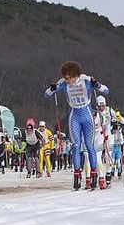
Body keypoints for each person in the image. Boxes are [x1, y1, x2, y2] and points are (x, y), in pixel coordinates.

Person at [45, 61, 109, 190]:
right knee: (75, 145)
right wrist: (51, 89)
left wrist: (96, 85)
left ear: (75, 74)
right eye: (66, 78)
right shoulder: (63, 82)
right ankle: (77, 174)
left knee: (89, 145)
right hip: (74, 116)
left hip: (87, 115)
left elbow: (106, 90)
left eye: (69, 77)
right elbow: (46, 94)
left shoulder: (86, 80)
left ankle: (94, 173)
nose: (67, 80)